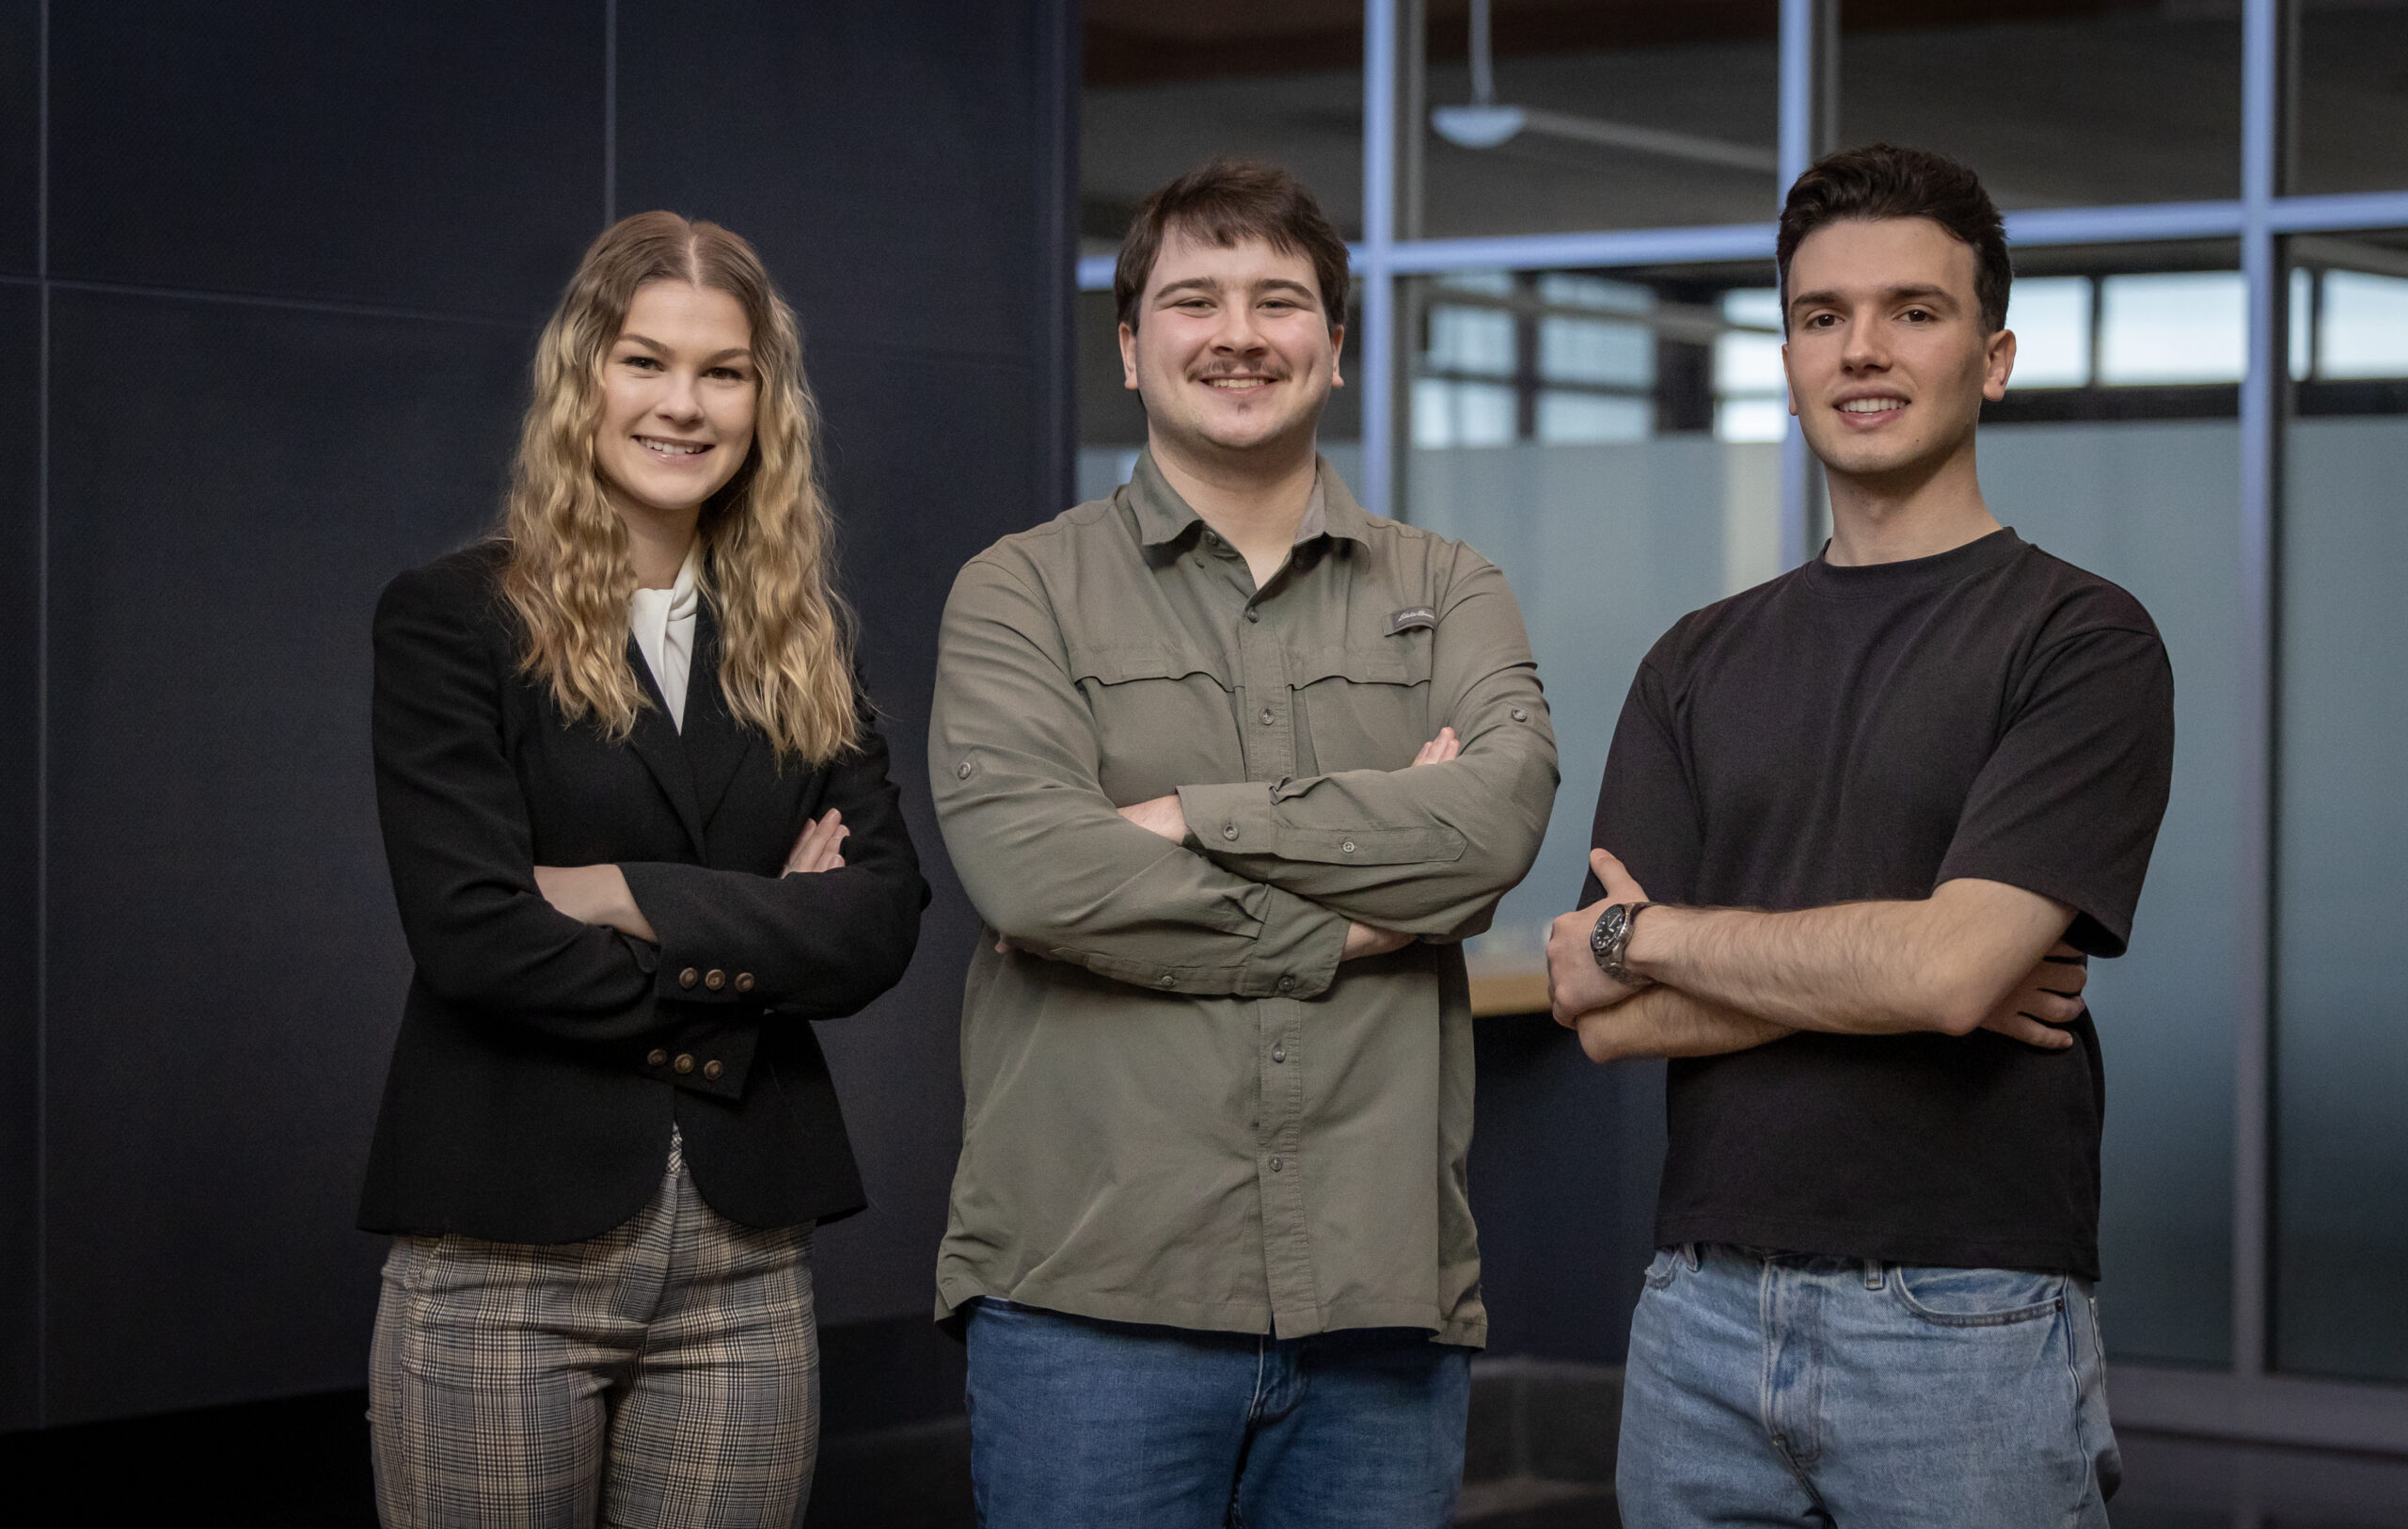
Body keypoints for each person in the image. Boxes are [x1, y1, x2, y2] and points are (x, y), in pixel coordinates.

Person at [1545, 143, 2174, 1526]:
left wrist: (1657, 934)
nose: (1861, 349)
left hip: (1965, 1319)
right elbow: (1596, 1006)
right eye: (1821, 315)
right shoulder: (1694, 659)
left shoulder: (2081, 639)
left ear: (1993, 358)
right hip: (1696, 1314)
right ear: (1786, 354)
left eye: (1915, 310)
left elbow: (1941, 974)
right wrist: (1898, 965)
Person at [927, 159, 1559, 1529]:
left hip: (1378, 1303)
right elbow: (1036, 876)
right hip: (1091, 1305)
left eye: (1281, 302)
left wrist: (1200, 818)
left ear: (1335, 348)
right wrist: (1357, 913)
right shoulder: (1019, 590)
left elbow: (1493, 824)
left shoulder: (1449, 588)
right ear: (1131, 347)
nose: (1239, 334)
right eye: (1194, 299)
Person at [359, 211, 927, 1528]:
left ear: (764, 402)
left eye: (723, 371)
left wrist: (613, 886)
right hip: (501, 1251)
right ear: (583, 381)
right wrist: (762, 939)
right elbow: (475, 936)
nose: (684, 404)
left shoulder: (802, 647)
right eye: (645, 361)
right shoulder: (453, 619)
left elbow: (879, 921)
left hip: (743, 1264)